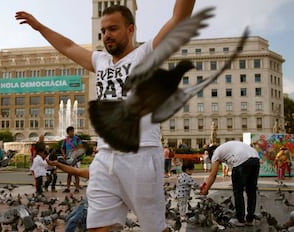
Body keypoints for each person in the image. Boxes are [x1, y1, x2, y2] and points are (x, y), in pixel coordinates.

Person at [16, 1, 195, 230]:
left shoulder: (147, 53)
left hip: (140, 155)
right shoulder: (99, 61)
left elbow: (179, 18)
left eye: (113, 29)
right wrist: (40, 27)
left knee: (154, 228)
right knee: (97, 227)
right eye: (103, 31)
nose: (106, 35)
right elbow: (68, 46)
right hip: (104, 159)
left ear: (130, 29)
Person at [201, 141, 260, 227]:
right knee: (251, 191)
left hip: (241, 160)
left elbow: (213, 175)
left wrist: (205, 190)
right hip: (255, 158)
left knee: (238, 191)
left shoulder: (216, 154)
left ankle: (240, 220)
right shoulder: (226, 147)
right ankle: (250, 219)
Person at [46, 158, 89, 232]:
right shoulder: (98, 164)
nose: (95, 152)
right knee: (69, 218)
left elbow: (76, 172)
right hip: (88, 199)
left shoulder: (108, 166)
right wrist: (57, 164)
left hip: (95, 203)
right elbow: (75, 171)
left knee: (73, 222)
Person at [60, 126, 83, 193]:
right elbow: (62, 148)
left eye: (73, 131)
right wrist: (64, 154)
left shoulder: (77, 139)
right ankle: (68, 188)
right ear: (68, 132)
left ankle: (77, 188)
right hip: (68, 158)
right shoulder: (65, 140)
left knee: (76, 173)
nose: (72, 132)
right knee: (69, 173)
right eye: (71, 131)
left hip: (76, 159)